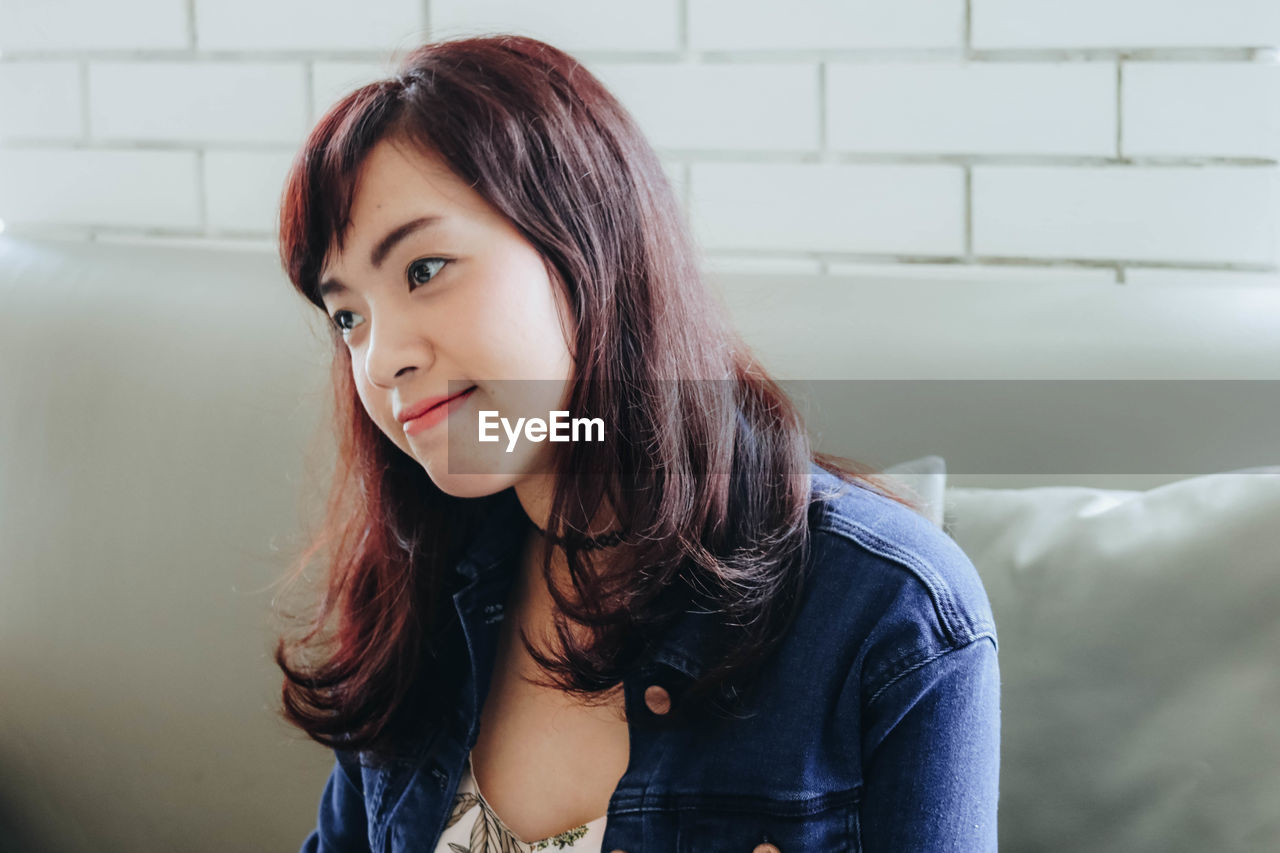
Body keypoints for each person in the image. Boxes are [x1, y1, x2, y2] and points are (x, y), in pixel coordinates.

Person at [274, 33, 1000, 853]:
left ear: (587, 243)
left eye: (424, 268)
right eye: (347, 317)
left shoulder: (892, 613)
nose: (381, 356)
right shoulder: (421, 593)